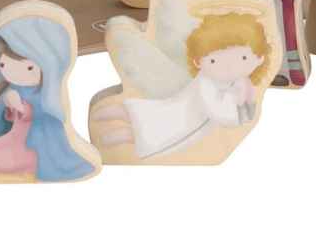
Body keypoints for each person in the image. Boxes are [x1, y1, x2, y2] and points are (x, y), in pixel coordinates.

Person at [92, 12, 274, 160]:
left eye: (243, 58)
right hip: (182, 116)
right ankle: (113, 115)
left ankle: (117, 135)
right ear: (198, 62)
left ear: (259, 58)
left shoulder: (241, 83)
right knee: (147, 119)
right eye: (213, 60)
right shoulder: (207, 83)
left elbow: (245, 109)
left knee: (145, 133)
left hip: (188, 125)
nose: (228, 66)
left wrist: (243, 101)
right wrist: (237, 107)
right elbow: (218, 111)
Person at [0, 14, 97, 182]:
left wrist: (22, 108)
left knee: (18, 151)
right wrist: (8, 100)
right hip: (13, 139)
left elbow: (47, 121)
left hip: (34, 144)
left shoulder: (45, 96)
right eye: (3, 65)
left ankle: (32, 167)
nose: (13, 73)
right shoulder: (9, 89)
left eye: (29, 68)